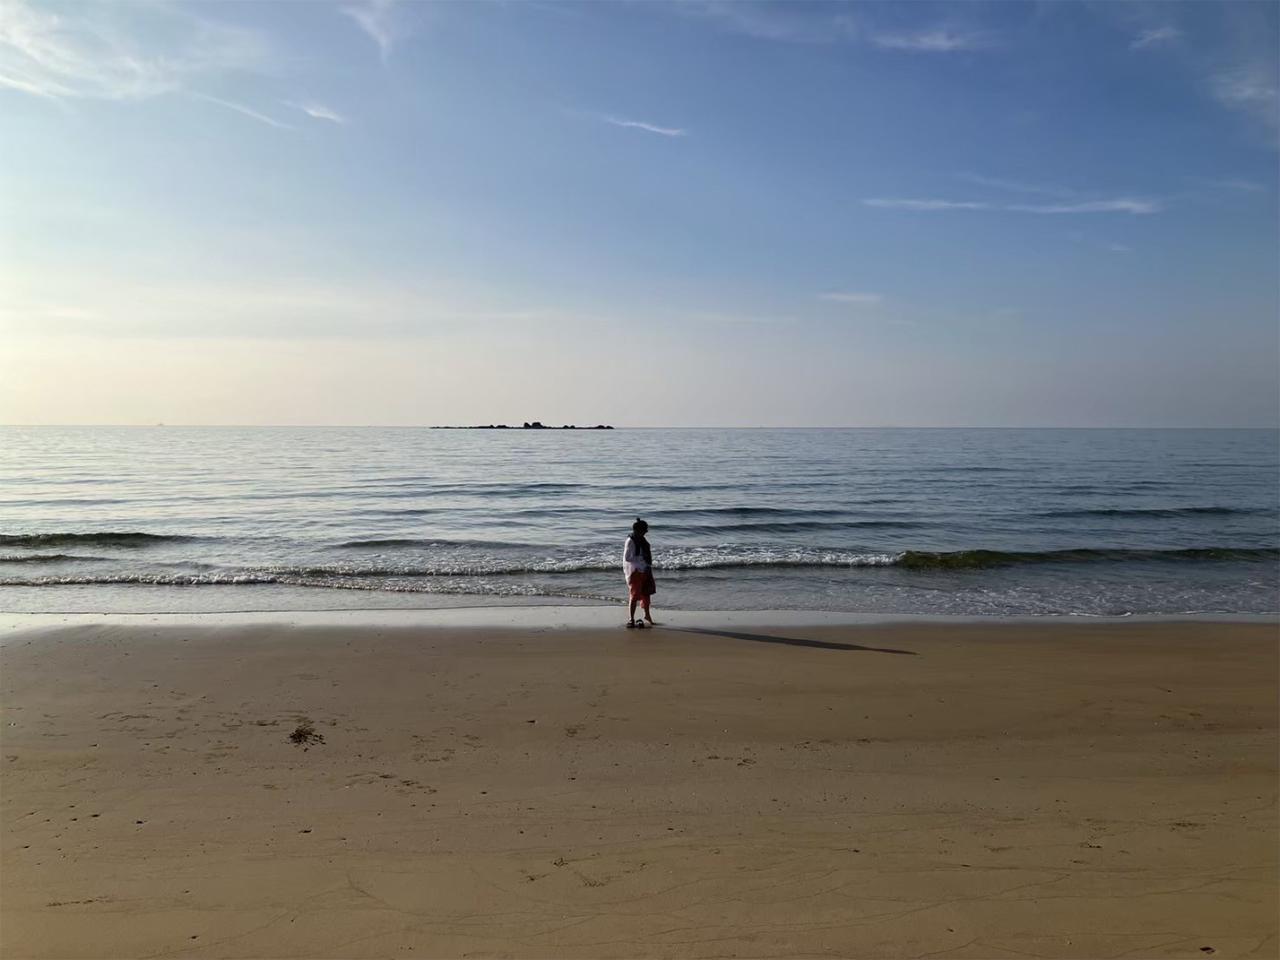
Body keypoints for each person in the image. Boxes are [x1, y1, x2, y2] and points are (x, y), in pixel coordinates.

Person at [623, 518, 656, 628]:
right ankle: (631, 619)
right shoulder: (631, 541)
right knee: (634, 595)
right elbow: (627, 558)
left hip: (645, 569)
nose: (646, 531)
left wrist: (646, 564)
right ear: (638, 530)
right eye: (645, 530)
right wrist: (641, 559)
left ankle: (647, 615)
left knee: (646, 593)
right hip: (635, 571)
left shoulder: (642, 540)